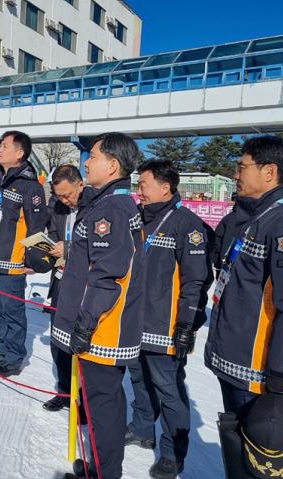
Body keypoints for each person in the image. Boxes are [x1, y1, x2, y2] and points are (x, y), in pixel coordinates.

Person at [204, 135, 283, 417]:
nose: (235, 174)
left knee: (259, 457)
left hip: (260, 371)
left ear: (269, 171)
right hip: (236, 359)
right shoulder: (255, 219)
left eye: (241, 167)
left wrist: (282, 371)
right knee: (237, 454)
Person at [51, 133, 143, 479]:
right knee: (100, 403)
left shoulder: (112, 210)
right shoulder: (103, 204)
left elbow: (108, 276)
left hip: (103, 329)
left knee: (103, 406)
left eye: (92, 157)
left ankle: (105, 474)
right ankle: (100, 468)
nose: (86, 163)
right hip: (98, 325)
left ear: (113, 165)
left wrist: (85, 324)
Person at [124, 160, 214, 479]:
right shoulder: (137, 219)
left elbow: (196, 282)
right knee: (139, 381)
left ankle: (172, 453)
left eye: (144, 184)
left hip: (166, 327)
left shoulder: (187, 225)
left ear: (165, 187)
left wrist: (186, 325)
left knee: (169, 390)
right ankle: (141, 427)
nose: (139, 191)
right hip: (135, 323)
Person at [0, 130, 48, 377]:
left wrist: (32, 260)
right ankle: (1, 348)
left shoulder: (31, 187)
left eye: (5, 146)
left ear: (19, 153)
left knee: (12, 311)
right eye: (0, 145)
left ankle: (14, 357)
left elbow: (37, 226)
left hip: (13, 260)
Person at [42, 164, 87, 412]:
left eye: (68, 194)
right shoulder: (59, 207)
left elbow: (98, 245)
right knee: (58, 341)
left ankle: (83, 399)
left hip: (85, 287)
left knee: (81, 344)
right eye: (59, 195)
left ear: (81, 184)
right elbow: (52, 232)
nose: (65, 200)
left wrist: (68, 248)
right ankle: (64, 391)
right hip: (60, 280)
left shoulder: (95, 208)